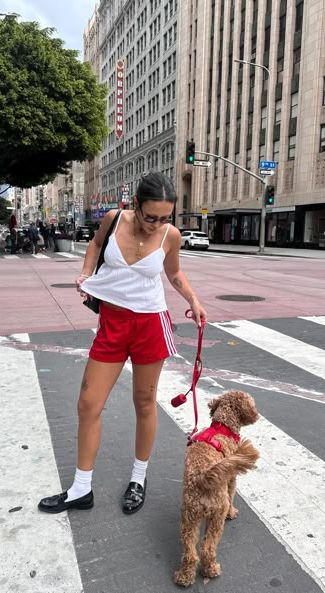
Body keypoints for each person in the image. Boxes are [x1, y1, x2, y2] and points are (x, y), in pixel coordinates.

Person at [38, 172, 207, 516]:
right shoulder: (114, 220)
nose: (156, 224)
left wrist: (193, 298)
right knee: (88, 404)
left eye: (164, 218)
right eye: (150, 217)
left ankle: (138, 479)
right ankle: (81, 489)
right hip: (112, 324)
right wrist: (85, 273)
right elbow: (96, 245)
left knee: (144, 403)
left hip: (149, 324)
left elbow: (174, 273)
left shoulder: (170, 236)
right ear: (134, 206)